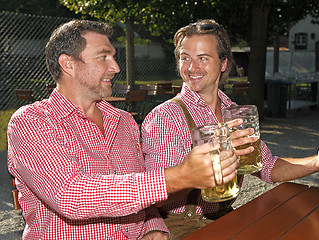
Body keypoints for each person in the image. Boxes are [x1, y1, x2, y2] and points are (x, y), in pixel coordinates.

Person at [7, 19, 239, 240]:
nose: (116, 67)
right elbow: (72, 195)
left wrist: (154, 227)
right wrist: (181, 176)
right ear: (68, 64)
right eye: (103, 57)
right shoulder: (31, 121)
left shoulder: (124, 121)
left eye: (114, 57)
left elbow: (141, 193)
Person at [141, 19, 319, 239]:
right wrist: (196, 174)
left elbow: (268, 167)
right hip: (180, 225)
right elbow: (153, 195)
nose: (192, 68)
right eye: (185, 58)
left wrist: (318, 161)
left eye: (203, 58)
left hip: (225, 217)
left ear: (223, 64)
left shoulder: (236, 112)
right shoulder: (165, 117)